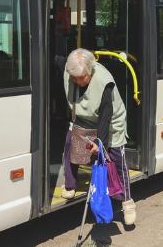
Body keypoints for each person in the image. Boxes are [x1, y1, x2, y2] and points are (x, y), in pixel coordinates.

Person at [61, 48, 136, 225]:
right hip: (82, 117)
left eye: (82, 78)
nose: (78, 82)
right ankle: (70, 185)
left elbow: (105, 116)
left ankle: (127, 202)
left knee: (117, 160)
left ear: (91, 70)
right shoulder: (70, 70)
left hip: (110, 123)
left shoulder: (104, 82)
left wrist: (99, 143)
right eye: (75, 78)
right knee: (70, 144)